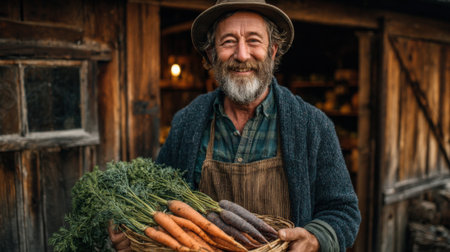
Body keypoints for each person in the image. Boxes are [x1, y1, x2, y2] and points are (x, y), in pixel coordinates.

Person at [110, 0, 361, 251]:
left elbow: (343, 211)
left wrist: (315, 238)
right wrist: (135, 231)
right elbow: (160, 198)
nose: (242, 55)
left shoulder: (312, 126)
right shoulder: (187, 123)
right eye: (228, 41)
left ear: (273, 51)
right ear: (211, 54)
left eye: (253, 40)